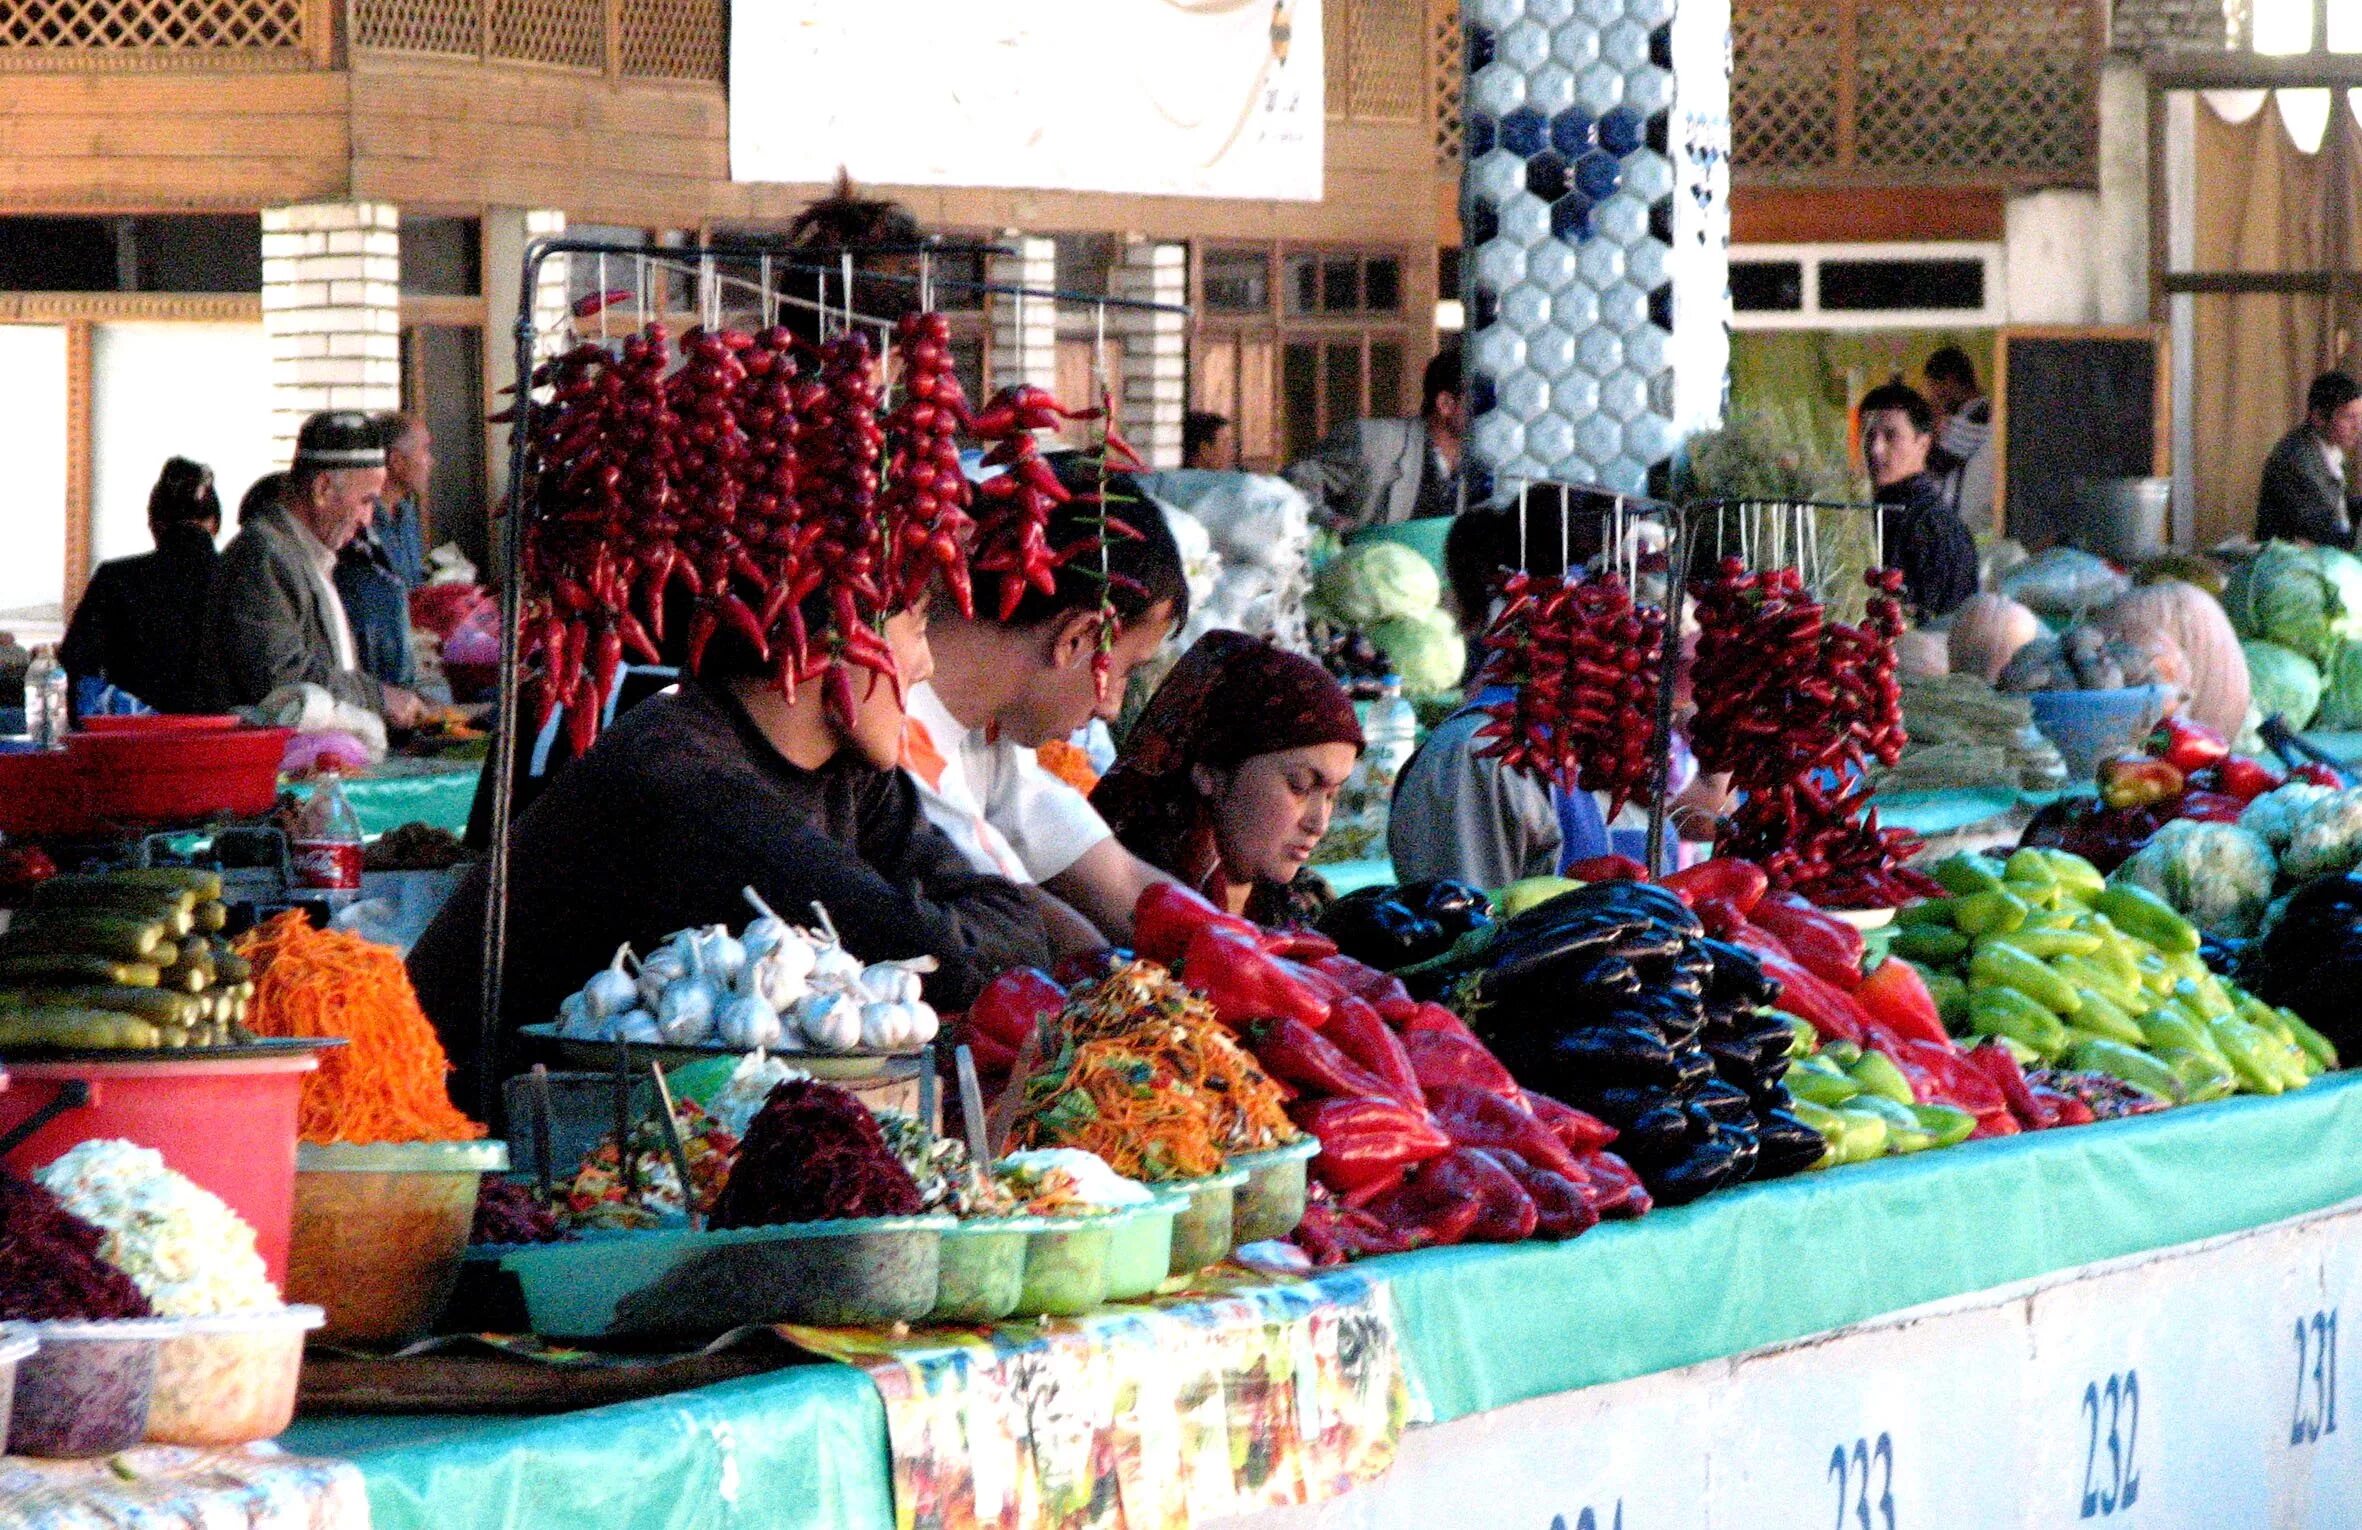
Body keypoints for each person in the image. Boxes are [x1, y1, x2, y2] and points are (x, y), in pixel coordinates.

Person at [407, 591, 1052, 1109]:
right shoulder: (686, 782)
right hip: (477, 1161)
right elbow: (946, 953)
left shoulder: (849, 772)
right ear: (839, 639)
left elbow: (1014, 929)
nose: (927, 665)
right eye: (916, 629)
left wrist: (933, 928)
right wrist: (929, 925)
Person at [903, 476, 1187, 947]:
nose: (1112, 708)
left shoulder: (990, 729)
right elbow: (1023, 918)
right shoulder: (896, 726)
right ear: (1075, 638)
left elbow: (1119, 882)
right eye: (1124, 670)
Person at [1092, 631, 1363, 926]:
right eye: (1300, 786)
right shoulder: (1123, 894)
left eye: (1332, 795)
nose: (1319, 823)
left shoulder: (1308, 905)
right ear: (1210, 771)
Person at [193, 412, 429, 726]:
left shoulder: (307, 556)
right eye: (365, 501)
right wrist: (379, 697)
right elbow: (284, 679)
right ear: (323, 489)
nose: (368, 519)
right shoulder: (264, 556)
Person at [60, 457, 221, 714]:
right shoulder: (244, 580)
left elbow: (74, 674)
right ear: (214, 524)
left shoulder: (115, 579)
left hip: (137, 743)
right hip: (229, 744)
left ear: (154, 523)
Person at [1285, 344, 1464, 532]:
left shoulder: (1481, 468)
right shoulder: (1375, 442)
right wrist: (1331, 522)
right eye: (1479, 400)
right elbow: (1292, 484)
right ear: (1445, 404)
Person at [1858, 382, 1978, 619]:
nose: (1875, 449)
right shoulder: (1871, 515)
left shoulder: (1934, 527)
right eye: (1868, 435)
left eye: (1891, 436)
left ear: (1923, 443)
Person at [2255, 371, 2362, 548]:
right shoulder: (2296, 460)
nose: (2358, 427)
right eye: (2349, 417)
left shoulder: (2329, 447)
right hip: (2292, 562)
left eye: (2360, 416)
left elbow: (2340, 506)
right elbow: (2320, 532)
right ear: (2319, 417)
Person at [1922, 345, 1995, 529]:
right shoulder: (1963, 416)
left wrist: (1931, 425)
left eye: (1933, 387)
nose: (1932, 396)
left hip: (1965, 522)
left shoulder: (1979, 414)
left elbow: (1936, 463)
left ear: (1949, 381)